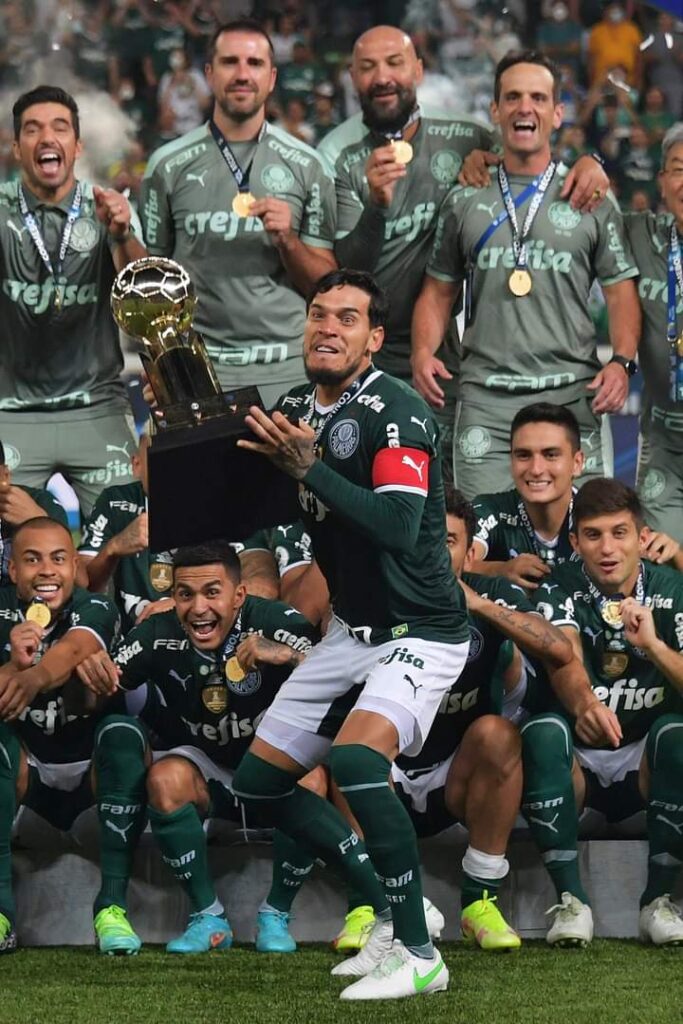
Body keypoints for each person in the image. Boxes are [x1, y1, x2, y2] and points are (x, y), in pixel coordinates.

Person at [228, 268, 470, 1001]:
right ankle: (396, 913)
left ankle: (421, 956)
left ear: (373, 339)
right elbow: (238, 492)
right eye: (317, 314)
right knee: (259, 785)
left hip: (421, 627)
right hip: (351, 630)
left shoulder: (396, 412)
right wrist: (179, 418)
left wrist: (312, 470)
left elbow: (397, 525)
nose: (327, 327)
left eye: (346, 318)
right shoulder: (295, 408)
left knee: (358, 761)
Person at [254, 484, 598, 956]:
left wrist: (478, 604)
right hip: (385, 769)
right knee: (348, 747)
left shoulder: (492, 593)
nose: (433, 551)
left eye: (448, 541)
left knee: (497, 734)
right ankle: (368, 905)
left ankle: (479, 900)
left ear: (471, 554)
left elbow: (558, 649)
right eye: (423, 539)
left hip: (453, 774)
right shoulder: (366, 600)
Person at [318, 27, 606, 478]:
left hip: (441, 355)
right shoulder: (334, 153)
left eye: (395, 63)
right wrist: (376, 207)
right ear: (351, 77)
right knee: (365, 482)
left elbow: (531, 153)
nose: (383, 77)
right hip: (363, 351)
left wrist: (591, 162)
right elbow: (348, 271)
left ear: (419, 70)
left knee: (445, 489)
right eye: (368, 67)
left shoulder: (466, 136)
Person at [412, 50, 641, 499]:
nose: (525, 107)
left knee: (582, 534)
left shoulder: (590, 195)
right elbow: (437, 292)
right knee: (482, 534)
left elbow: (619, 293)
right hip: (486, 401)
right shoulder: (465, 197)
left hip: (572, 395)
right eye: (513, 97)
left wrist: (622, 361)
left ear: (557, 113)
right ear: (495, 110)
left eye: (538, 98)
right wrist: (422, 351)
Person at [77, 540, 321, 955]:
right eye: (185, 594)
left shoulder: (275, 621)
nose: (198, 608)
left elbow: (338, 673)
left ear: (238, 595)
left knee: (313, 777)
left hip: (270, 763)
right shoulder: (158, 632)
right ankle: (208, 916)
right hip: (208, 765)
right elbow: (97, 696)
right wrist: (90, 678)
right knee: (165, 779)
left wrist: (286, 655)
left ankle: (276, 913)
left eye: (212, 592)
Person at [140, 19, 337, 409]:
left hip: (287, 369)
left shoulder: (309, 166)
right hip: (198, 371)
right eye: (230, 62)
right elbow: (153, 280)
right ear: (209, 74)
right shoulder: (166, 165)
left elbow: (327, 285)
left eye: (254, 63)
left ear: (272, 77)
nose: (242, 74)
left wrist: (288, 241)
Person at [526, 479, 683, 947]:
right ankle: (571, 903)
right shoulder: (559, 586)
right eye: (593, 535)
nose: (608, 548)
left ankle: (658, 902)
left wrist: (654, 646)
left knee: (677, 734)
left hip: (645, 763)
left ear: (642, 536)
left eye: (620, 533)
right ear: (575, 543)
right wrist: (587, 703)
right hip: (580, 764)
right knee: (542, 731)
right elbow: (565, 655)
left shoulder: (673, 590)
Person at [0, 518, 147, 956]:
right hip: (25, 786)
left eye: (59, 559)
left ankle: (112, 909)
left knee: (123, 733)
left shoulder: (96, 606)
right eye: (32, 560)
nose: (47, 570)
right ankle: (2, 913)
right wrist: (12, 665)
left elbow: (78, 646)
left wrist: (33, 676)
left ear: (74, 567)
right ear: (12, 570)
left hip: (92, 790)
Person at [0, 85, 147, 518]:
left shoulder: (110, 208)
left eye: (59, 127)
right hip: (11, 411)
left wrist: (123, 235)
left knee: (130, 535)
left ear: (77, 145)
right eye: (32, 129)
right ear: (16, 147)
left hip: (96, 406)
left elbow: (142, 304)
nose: (47, 137)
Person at [78, 427, 280, 633]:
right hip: (138, 640)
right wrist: (112, 549)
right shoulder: (116, 503)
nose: (171, 473)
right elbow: (82, 586)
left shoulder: (226, 505)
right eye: (160, 462)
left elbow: (265, 586)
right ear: (137, 465)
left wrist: (180, 605)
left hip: (210, 635)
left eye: (180, 460)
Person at [625, 123, 683, 545]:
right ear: (662, 181)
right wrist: (592, 163)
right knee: (659, 564)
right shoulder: (641, 236)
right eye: (679, 169)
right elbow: (580, 207)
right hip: (666, 443)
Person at [471, 403, 584, 590]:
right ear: (511, 461)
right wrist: (500, 570)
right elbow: (451, 564)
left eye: (550, 455)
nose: (536, 469)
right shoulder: (490, 509)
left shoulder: (601, 515)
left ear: (577, 463)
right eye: (524, 455)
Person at [0, 439, 68, 586]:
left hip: (28, 597)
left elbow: (80, 581)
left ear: (5, 475)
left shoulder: (39, 503)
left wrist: (38, 521)